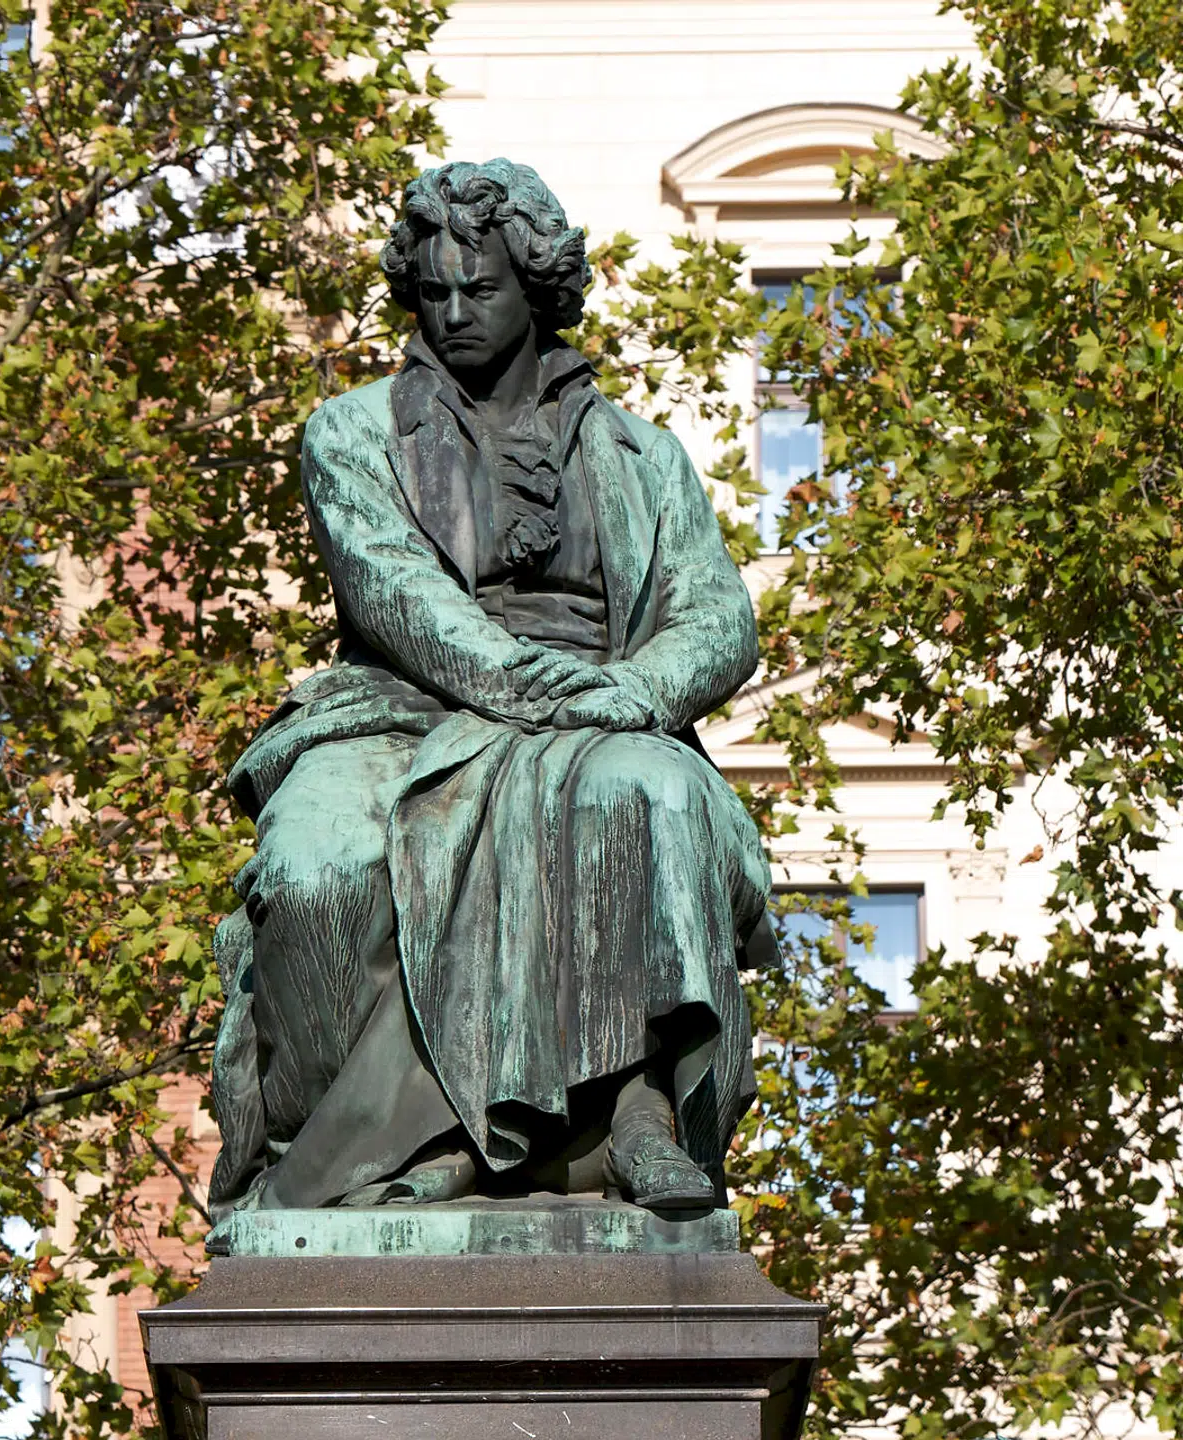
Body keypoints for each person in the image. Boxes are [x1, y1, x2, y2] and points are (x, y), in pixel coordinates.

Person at [207, 158, 776, 1224]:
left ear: (537, 287)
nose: (455, 312)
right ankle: (341, 1165)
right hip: (406, 709)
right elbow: (398, 596)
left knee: (648, 792)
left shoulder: (643, 456)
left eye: (482, 288)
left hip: (603, 711)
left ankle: (636, 1116)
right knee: (317, 869)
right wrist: (532, 689)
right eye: (434, 291)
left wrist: (633, 692)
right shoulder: (351, 433)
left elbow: (717, 617)